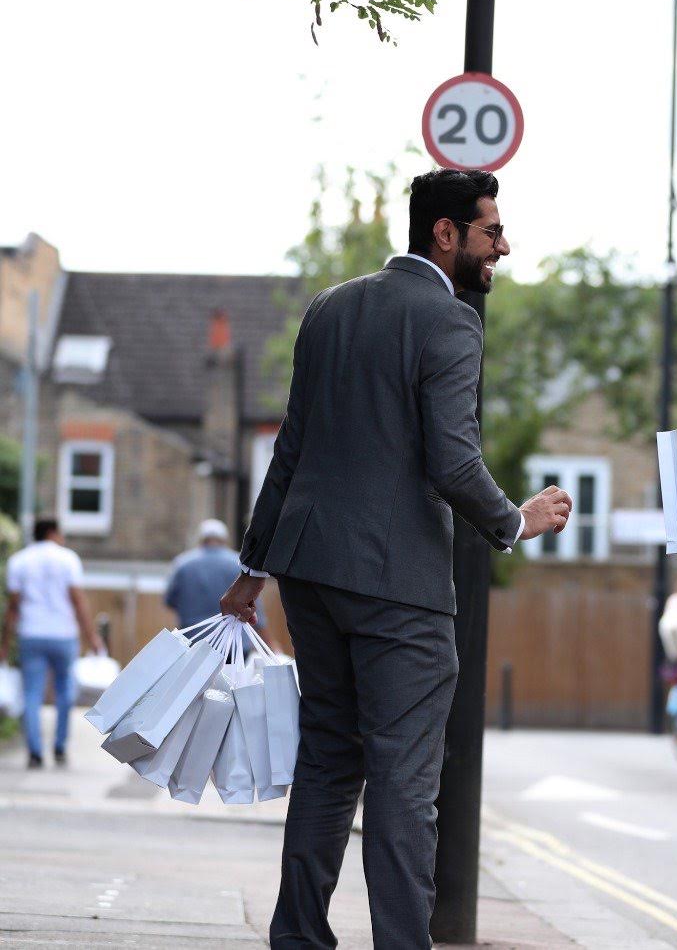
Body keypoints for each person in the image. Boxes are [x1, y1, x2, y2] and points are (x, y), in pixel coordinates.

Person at [220, 168, 572, 950]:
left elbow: (292, 447)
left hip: (310, 571)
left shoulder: (331, 307)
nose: (503, 246)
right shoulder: (448, 322)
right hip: (398, 586)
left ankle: (299, 938)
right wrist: (516, 519)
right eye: (491, 231)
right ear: (445, 234)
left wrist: (255, 566)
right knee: (405, 784)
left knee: (327, 761)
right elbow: (453, 460)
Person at [1, 518, 104, 768]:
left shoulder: (19, 561)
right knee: (65, 692)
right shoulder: (68, 559)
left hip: (31, 634)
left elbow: (13, 607)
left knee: (32, 694)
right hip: (63, 635)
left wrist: (5, 643)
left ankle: (35, 752)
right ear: (52, 532)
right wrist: (92, 637)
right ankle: (59, 747)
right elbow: (78, 601)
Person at [165, 518, 275, 654]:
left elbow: (169, 601)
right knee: (235, 675)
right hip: (234, 644)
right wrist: (270, 645)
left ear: (201, 539)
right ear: (224, 540)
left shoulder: (182, 564)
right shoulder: (240, 564)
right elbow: (254, 608)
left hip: (194, 642)